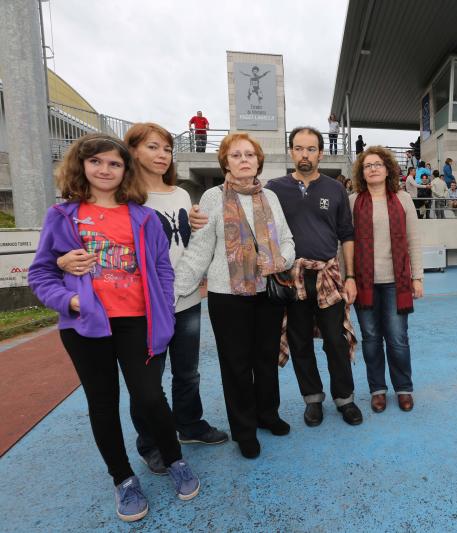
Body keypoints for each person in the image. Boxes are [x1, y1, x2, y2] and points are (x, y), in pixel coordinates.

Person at [28, 134, 200, 522]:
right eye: (96, 162)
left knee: (150, 396)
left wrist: (166, 312)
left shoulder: (141, 216)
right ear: (82, 166)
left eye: (114, 164)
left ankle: (174, 459)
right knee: (102, 403)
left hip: (136, 321)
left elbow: (160, 268)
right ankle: (122, 479)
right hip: (85, 325)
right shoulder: (63, 216)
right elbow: (40, 273)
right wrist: (70, 300)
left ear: (125, 170)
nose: (105, 170)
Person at [57, 123, 229, 473]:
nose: (162, 155)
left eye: (167, 149)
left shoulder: (180, 194)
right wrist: (62, 263)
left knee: (188, 372)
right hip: (145, 306)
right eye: (153, 147)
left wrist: (196, 222)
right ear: (131, 152)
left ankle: (189, 424)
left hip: (186, 298)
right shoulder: (127, 199)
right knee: (147, 385)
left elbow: (184, 241)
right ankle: (150, 442)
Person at [175, 132, 295, 459]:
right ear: (225, 162)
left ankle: (267, 414)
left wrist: (279, 261)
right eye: (236, 155)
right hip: (228, 296)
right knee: (236, 365)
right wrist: (176, 292)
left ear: (259, 161)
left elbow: (287, 239)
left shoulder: (270, 197)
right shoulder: (214, 198)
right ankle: (244, 430)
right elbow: (200, 251)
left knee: (266, 360)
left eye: (249, 155)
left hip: (267, 291)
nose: (244, 160)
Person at [267, 127, 363, 426]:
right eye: (298, 148)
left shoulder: (335, 189)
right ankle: (313, 399)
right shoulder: (274, 189)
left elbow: (347, 234)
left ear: (321, 153)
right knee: (299, 342)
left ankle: (344, 398)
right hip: (291, 278)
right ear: (291, 151)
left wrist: (351, 277)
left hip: (328, 275)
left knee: (335, 339)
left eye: (310, 149)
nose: (304, 154)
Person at [348, 147, 423, 413]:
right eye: (367, 165)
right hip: (364, 282)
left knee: (398, 338)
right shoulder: (353, 200)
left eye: (378, 164)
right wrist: (348, 279)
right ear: (362, 172)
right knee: (370, 338)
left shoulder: (402, 199)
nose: (373, 169)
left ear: (388, 168)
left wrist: (418, 277)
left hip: (396, 282)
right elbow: (345, 243)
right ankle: (377, 390)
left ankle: (404, 388)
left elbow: (413, 239)